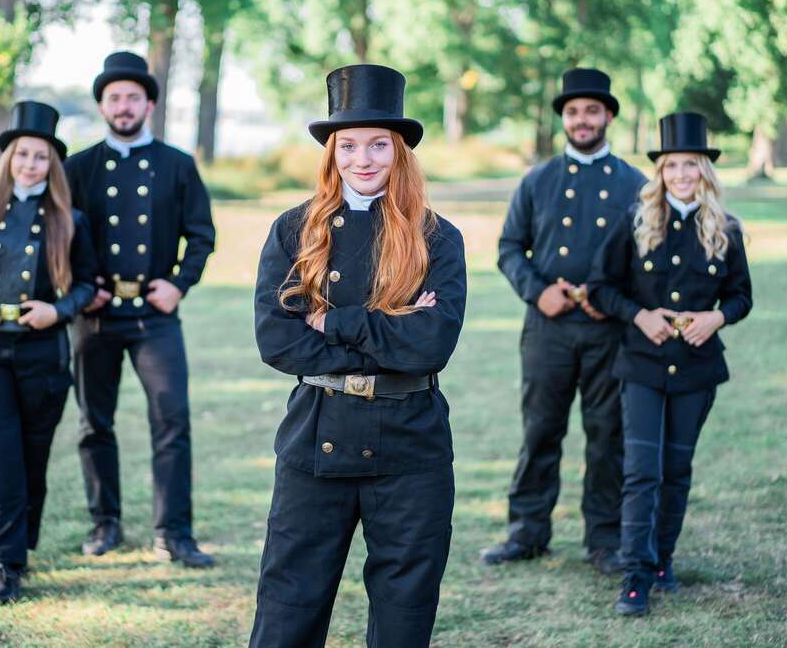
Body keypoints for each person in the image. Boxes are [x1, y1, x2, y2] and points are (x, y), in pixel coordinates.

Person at [248, 64, 467, 647]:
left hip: (411, 442)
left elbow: (432, 344)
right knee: (289, 604)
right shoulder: (293, 231)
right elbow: (278, 341)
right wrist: (390, 326)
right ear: (331, 152)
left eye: (378, 145)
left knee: (404, 610)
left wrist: (333, 320)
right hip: (317, 434)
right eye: (349, 145)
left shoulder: (437, 237)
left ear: (400, 153)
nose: (363, 158)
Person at [587, 111, 752, 615]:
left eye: (691, 164)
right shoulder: (634, 222)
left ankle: (663, 562)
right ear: (660, 172)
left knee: (676, 470)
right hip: (641, 366)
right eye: (672, 165)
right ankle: (635, 575)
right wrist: (640, 316)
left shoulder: (725, 228)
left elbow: (742, 296)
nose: (681, 174)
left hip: (697, 369)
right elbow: (601, 288)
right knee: (642, 472)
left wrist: (716, 319)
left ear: (705, 170)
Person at [482, 68, 647, 573]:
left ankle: (605, 539)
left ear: (608, 116)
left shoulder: (637, 184)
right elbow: (510, 248)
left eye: (592, 111)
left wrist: (617, 299)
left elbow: (649, 259)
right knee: (540, 430)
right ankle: (527, 533)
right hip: (547, 329)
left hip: (609, 331)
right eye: (573, 112)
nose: (582, 120)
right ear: (564, 120)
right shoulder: (537, 181)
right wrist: (538, 291)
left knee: (608, 434)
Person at [63, 51, 217, 566]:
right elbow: (59, 241)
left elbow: (201, 235)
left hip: (155, 315)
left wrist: (178, 283)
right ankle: (104, 524)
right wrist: (83, 287)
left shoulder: (177, 164)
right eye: (114, 98)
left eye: (133, 97)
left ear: (149, 103)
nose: (123, 106)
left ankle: (174, 533)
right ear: (102, 106)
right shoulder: (76, 168)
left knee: (172, 419)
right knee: (94, 422)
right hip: (97, 317)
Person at [0, 101, 97, 605]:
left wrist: (57, 312)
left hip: (44, 359)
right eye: (22, 155)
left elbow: (86, 285)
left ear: (51, 165)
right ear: (8, 159)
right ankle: (4, 568)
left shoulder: (69, 220)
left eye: (40, 157)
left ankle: (19, 548)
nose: (30, 164)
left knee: (32, 462)